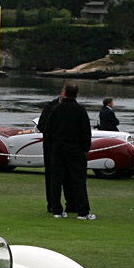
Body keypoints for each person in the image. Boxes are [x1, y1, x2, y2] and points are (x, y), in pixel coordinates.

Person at [46, 83, 94, 219]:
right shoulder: (81, 111)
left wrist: (52, 146)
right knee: (78, 180)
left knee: (56, 180)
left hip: (58, 148)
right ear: (76, 95)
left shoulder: (56, 110)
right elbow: (86, 132)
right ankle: (82, 211)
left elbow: (49, 130)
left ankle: (56, 210)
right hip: (76, 149)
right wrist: (86, 148)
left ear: (64, 93)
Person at [39, 88, 64, 213]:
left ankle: (70, 203)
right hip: (51, 147)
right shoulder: (50, 107)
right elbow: (41, 125)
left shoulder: (71, 108)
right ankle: (52, 204)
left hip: (62, 147)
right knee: (52, 177)